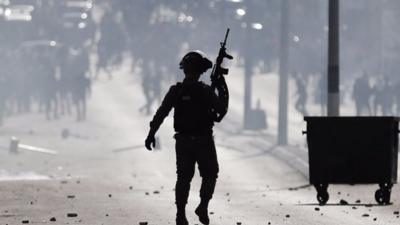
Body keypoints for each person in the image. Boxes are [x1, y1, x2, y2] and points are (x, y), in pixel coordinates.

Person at [145, 51, 229, 225]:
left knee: (183, 177)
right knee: (210, 173)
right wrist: (221, 84)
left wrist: (151, 134)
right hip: (203, 141)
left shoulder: (176, 91)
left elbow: (161, 113)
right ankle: (203, 206)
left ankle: (180, 215)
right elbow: (221, 109)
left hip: (183, 142)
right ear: (200, 71)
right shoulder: (205, 91)